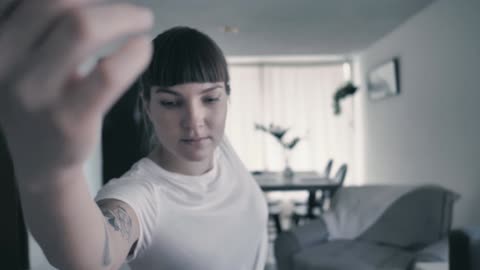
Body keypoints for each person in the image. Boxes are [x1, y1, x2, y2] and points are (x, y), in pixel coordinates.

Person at [0, 1, 268, 270]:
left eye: (210, 98)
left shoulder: (221, 150)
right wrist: (53, 174)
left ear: (226, 97)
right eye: (171, 103)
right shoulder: (142, 196)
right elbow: (91, 259)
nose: (194, 121)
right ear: (147, 105)